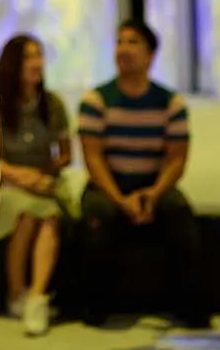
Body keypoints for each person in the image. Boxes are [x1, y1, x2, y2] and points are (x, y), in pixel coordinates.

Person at [76, 19, 211, 329]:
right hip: (109, 184)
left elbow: (177, 160)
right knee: (99, 215)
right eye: (120, 42)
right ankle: (94, 307)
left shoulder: (171, 103)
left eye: (133, 42)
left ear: (151, 55)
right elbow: (93, 159)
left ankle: (190, 307)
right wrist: (121, 199)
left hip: (153, 183)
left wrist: (153, 193)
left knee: (180, 213)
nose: (123, 49)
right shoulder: (96, 101)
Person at [0, 33, 71, 337]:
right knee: (24, 213)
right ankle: (16, 293)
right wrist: (20, 176)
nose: (37, 63)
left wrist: (42, 175)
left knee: (48, 215)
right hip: (7, 183)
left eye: (39, 55)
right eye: (29, 57)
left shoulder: (52, 104)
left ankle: (36, 296)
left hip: (41, 183)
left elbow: (65, 155)